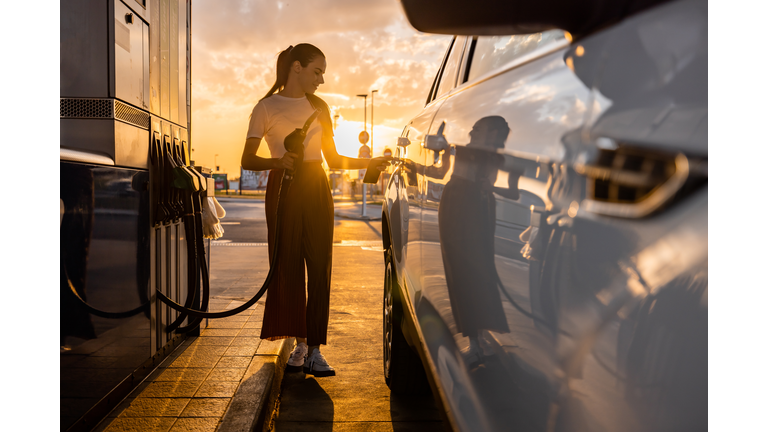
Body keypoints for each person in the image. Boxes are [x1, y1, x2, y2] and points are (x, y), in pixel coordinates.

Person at [241, 43, 389, 377]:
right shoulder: (265, 107)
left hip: (316, 185)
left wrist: (369, 162)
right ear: (297, 67)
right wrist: (278, 160)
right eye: (317, 71)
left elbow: (334, 160)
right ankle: (300, 344)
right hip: (283, 187)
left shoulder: (319, 106)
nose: (321, 80)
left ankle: (316, 351)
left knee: (320, 265)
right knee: (288, 266)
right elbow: (247, 159)